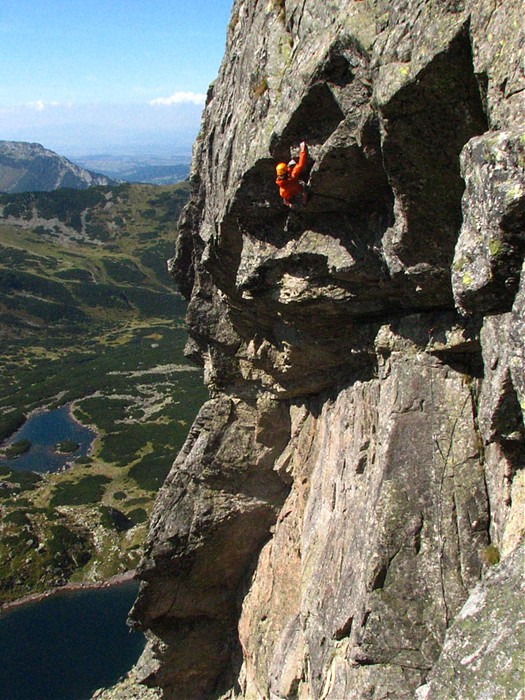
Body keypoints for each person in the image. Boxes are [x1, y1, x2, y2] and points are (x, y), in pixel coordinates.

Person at [275, 141, 308, 209]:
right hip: (299, 191)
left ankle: (299, 203)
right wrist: (302, 150)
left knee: (290, 201)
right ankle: (304, 199)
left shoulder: (282, 189)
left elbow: (286, 197)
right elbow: (300, 165)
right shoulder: (293, 176)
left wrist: (288, 202)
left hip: (292, 196)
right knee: (303, 185)